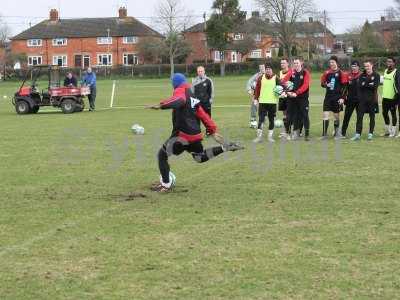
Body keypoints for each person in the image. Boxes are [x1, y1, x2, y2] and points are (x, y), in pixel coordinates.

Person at [147, 73, 244, 192]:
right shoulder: (192, 95)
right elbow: (203, 115)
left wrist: (161, 105)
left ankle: (166, 184)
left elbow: (179, 100)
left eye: (172, 82)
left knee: (162, 155)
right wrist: (213, 130)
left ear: (175, 83)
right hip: (195, 135)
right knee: (199, 157)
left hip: (182, 135)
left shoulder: (180, 90)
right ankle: (224, 148)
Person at [320, 55, 348, 139]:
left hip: (337, 98)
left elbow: (345, 87)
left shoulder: (341, 73)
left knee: (336, 116)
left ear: (337, 63)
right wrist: (326, 84)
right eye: (330, 62)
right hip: (328, 97)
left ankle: (336, 134)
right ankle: (324, 135)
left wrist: (342, 98)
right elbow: (322, 83)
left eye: (333, 62)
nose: (331, 64)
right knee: (325, 115)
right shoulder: (327, 73)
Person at [351, 61, 380, 141]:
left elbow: (375, 86)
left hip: (372, 100)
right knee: (359, 117)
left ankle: (370, 134)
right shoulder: (361, 75)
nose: (366, 68)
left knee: (372, 117)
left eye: (368, 66)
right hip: (362, 100)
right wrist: (369, 84)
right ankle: (357, 134)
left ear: (372, 66)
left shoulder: (376, 75)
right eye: (365, 66)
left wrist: (365, 84)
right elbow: (360, 86)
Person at [253, 63, 280, 143]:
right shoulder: (261, 78)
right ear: (265, 70)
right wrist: (255, 99)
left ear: (272, 70)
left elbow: (281, 87)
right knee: (261, 119)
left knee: (271, 119)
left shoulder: (276, 78)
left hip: (272, 102)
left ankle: (270, 137)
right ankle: (259, 137)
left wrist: (282, 93)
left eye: (269, 69)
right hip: (262, 102)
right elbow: (257, 89)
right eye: (267, 69)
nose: (268, 70)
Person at [286, 58, 311, 141]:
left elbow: (305, 85)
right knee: (294, 116)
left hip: (303, 98)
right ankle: (295, 133)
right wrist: (287, 91)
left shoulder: (305, 73)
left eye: (297, 63)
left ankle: (306, 135)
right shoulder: (291, 72)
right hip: (293, 98)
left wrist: (296, 93)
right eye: (294, 63)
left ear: (301, 63)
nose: (295, 64)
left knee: (305, 115)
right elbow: (283, 81)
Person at [341, 61, 362, 138]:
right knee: (346, 116)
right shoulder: (348, 75)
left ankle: (358, 133)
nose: (353, 67)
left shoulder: (362, 75)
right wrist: (343, 98)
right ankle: (342, 133)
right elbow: (345, 88)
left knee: (359, 117)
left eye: (355, 66)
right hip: (350, 100)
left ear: (358, 67)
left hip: (360, 100)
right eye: (352, 66)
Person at [381, 57, 398, 137]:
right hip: (385, 97)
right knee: (384, 113)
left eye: (390, 62)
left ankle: (393, 131)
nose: (388, 63)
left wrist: (396, 97)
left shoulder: (396, 72)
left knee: (393, 114)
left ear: (394, 63)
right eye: (387, 61)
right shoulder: (385, 71)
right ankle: (387, 131)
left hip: (393, 98)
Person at [246, 64, 266, 128]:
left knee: (264, 107)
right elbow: (249, 82)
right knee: (254, 106)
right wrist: (249, 90)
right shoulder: (256, 75)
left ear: (265, 67)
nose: (261, 68)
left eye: (263, 67)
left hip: (266, 94)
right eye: (260, 67)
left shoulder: (268, 74)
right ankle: (253, 121)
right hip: (257, 94)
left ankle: (263, 120)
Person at [278, 58, 293, 138]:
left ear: (287, 64)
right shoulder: (280, 72)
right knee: (284, 114)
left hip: (289, 96)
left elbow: (292, 84)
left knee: (289, 114)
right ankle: (286, 131)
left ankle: (290, 132)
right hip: (282, 96)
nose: (282, 65)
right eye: (281, 63)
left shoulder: (291, 72)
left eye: (284, 63)